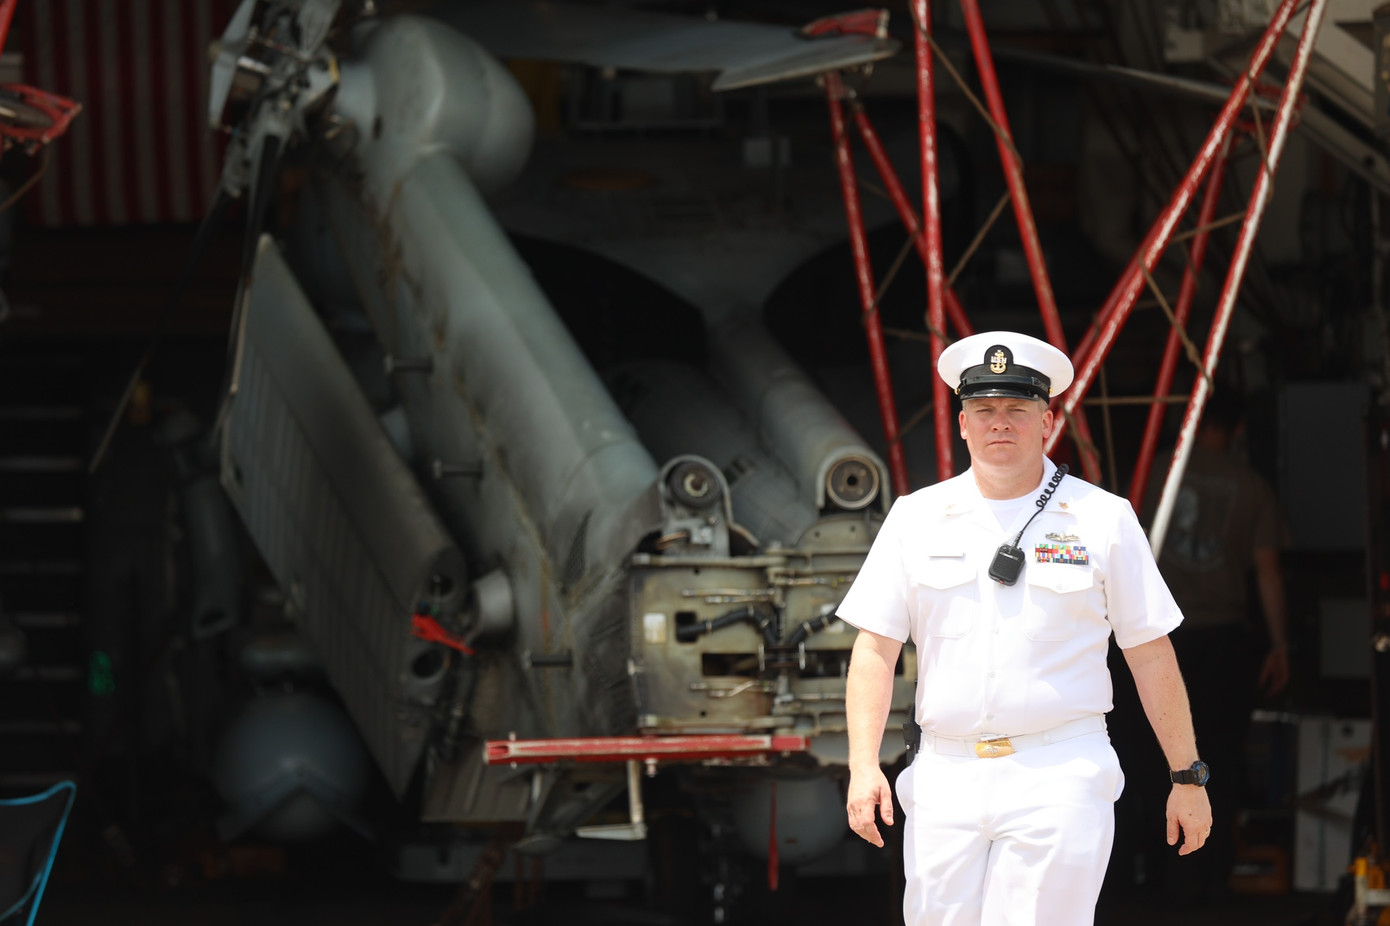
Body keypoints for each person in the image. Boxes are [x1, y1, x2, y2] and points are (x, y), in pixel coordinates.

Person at [838, 331, 1212, 926]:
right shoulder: (916, 517)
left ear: (1047, 422)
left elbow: (1149, 651)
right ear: (963, 424)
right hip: (945, 774)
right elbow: (875, 649)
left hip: (1057, 769)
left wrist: (1186, 776)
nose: (1000, 423)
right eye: (984, 410)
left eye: (1017, 408)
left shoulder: (1102, 518)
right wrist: (863, 766)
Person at [1140, 388, 1289, 905]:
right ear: (1238, 429)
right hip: (1223, 639)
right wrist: (1280, 644)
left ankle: (1152, 876)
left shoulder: (1153, 473)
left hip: (1150, 639)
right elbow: (1268, 572)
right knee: (1217, 757)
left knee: (1148, 755)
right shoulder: (1252, 487)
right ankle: (1209, 879)